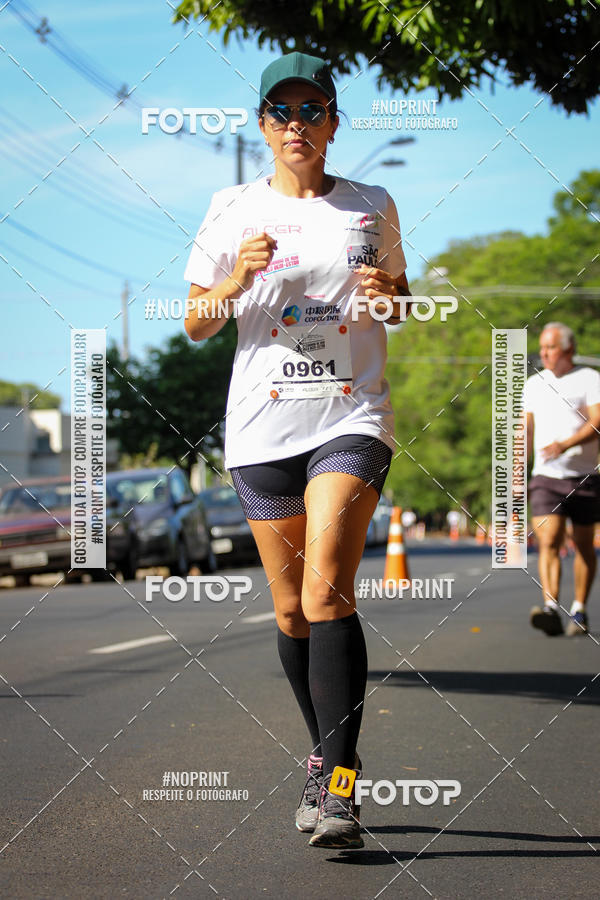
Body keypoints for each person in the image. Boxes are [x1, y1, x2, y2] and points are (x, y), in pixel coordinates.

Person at [183, 51, 410, 848]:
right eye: (282, 113)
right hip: (259, 429)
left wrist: (394, 296)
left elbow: (400, 300)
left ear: (334, 122)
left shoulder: (370, 203)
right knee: (289, 609)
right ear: (261, 127)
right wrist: (233, 281)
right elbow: (196, 321)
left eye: (312, 110)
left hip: (351, 417)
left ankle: (341, 792)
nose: (297, 125)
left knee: (327, 593)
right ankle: (326, 757)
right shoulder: (231, 209)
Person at [525, 322, 600, 636]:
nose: (544, 353)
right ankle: (551, 607)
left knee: (583, 544)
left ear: (568, 349)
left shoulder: (589, 379)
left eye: (551, 347)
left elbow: (597, 421)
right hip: (546, 477)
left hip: (586, 476)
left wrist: (565, 445)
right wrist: (514, 467)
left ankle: (579, 609)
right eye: (542, 347)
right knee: (549, 540)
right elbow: (524, 429)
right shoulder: (533, 384)